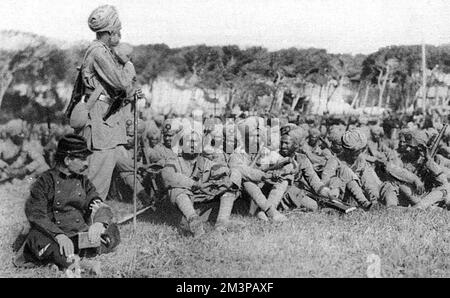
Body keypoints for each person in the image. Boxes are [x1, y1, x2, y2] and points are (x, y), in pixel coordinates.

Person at [69, 5, 144, 201]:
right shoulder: (100, 52)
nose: (119, 34)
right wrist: (129, 73)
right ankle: (88, 223)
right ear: (110, 32)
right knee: (98, 176)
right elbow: (119, 82)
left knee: (97, 173)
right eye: (117, 31)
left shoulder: (100, 50)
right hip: (101, 121)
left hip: (104, 117)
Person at [21, 134, 120, 271]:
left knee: (112, 231)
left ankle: (62, 259)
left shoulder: (83, 181)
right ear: (68, 159)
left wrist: (98, 223)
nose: (86, 163)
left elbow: (96, 201)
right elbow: (36, 213)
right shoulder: (45, 181)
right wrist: (59, 235)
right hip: (53, 234)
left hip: (77, 234)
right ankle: (78, 264)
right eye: (82, 159)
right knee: (37, 239)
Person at [161, 130, 241, 236]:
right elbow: (167, 175)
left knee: (228, 186)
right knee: (176, 189)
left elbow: (220, 169)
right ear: (181, 144)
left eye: (196, 142)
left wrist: (223, 179)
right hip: (183, 203)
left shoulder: (205, 162)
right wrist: (194, 184)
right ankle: (194, 221)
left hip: (202, 199)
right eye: (189, 142)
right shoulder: (174, 161)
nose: (192, 145)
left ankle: (221, 223)